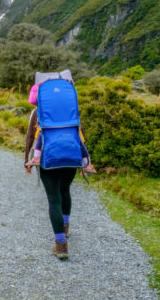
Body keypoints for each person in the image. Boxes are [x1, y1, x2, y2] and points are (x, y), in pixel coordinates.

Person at [24, 77, 95, 260]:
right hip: (70, 156)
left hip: (47, 159)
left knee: (53, 199)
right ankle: (65, 226)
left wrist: (28, 160)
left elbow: (30, 138)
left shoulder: (36, 113)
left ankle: (61, 246)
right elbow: (81, 137)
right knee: (65, 191)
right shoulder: (71, 114)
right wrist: (83, 162)